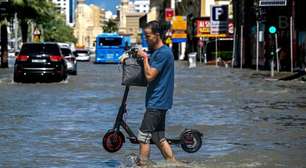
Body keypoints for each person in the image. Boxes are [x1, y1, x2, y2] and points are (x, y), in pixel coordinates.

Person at [122, 20, 176, 166]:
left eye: (148, 36)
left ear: (157, 35)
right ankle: (174, 164)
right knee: (158, 137)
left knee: (143, 136)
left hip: (157, 102)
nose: (146, 39)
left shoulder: (163, 53)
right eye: (144, 36)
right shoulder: (157, 53)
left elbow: (150, 76)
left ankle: (143, 165)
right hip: (158, 101)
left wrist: (145, 57)